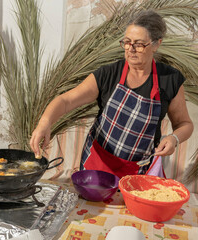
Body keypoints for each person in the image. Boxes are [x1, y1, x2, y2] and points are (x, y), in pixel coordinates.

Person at [30, 10, 193, 178]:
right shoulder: (109, 74)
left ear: (156, 44)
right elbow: (65, 101)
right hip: (98, 167)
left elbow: (185, 124)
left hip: (138, 172)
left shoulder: (170, 79)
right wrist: (45, 122)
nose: (131, 49)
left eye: (139, 44)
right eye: (127, 42)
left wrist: (174, 138)